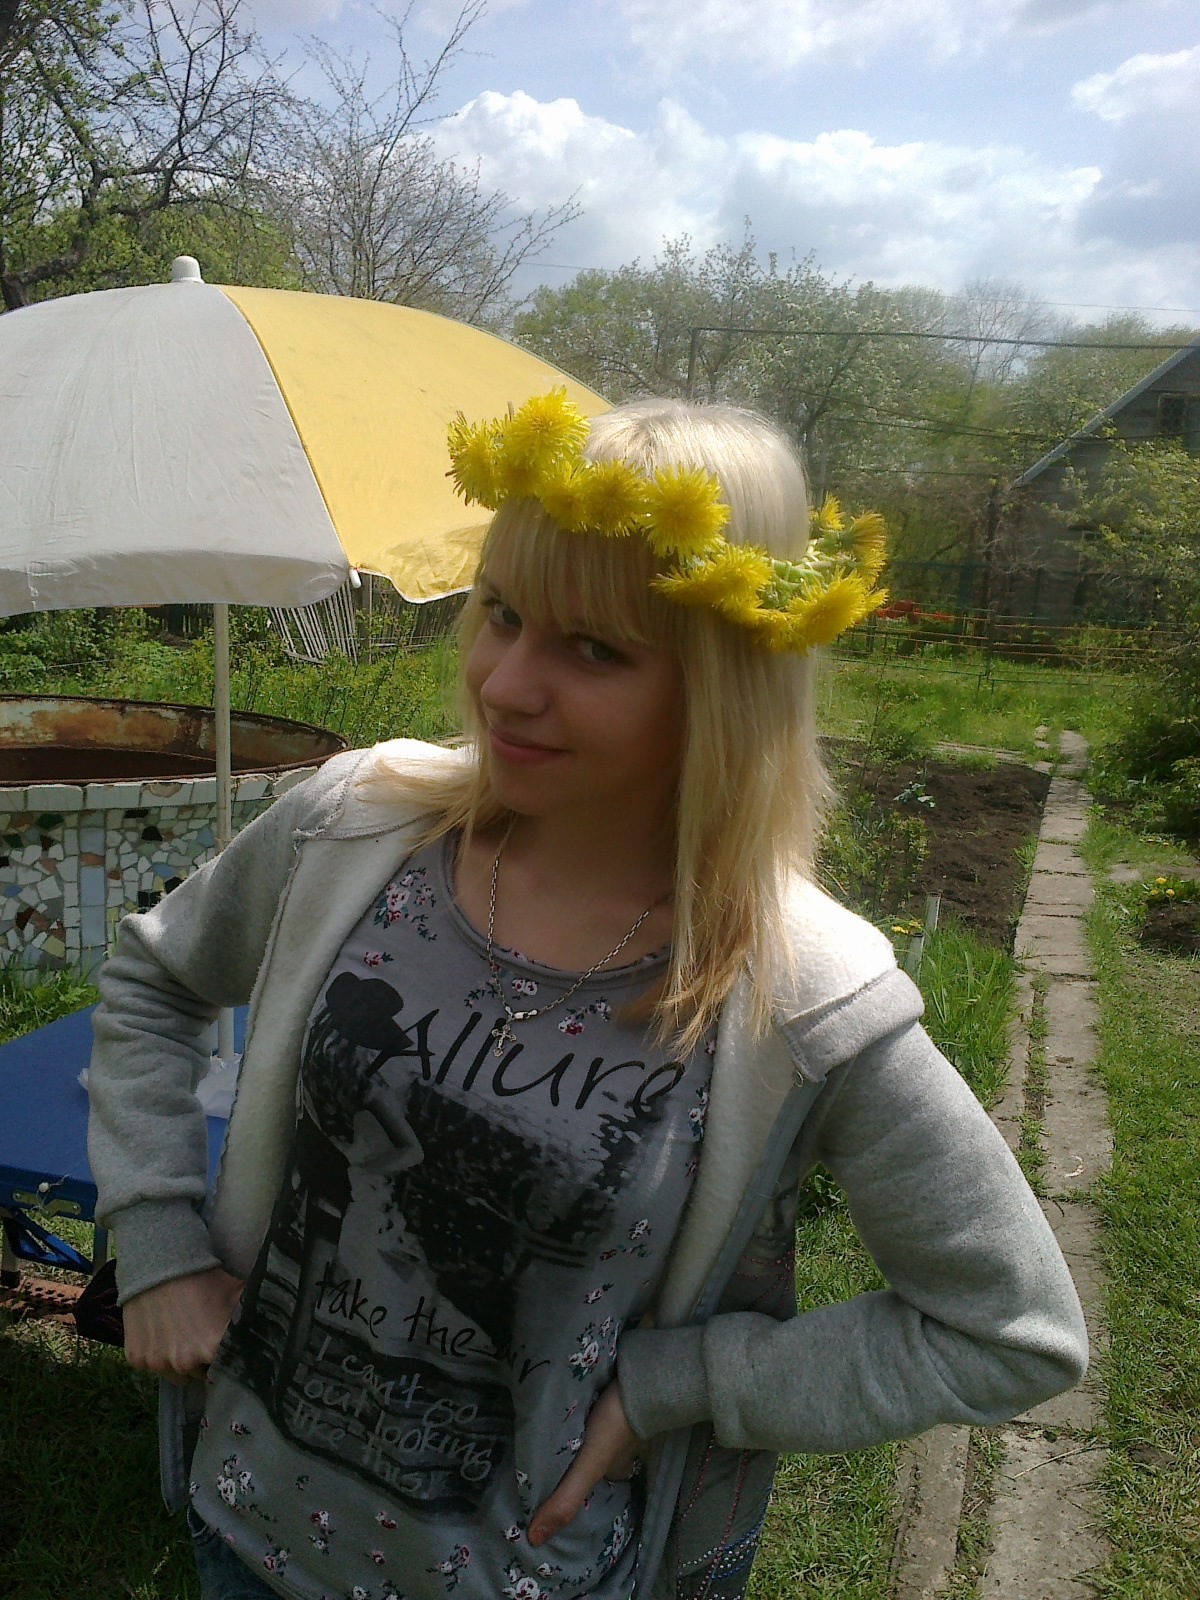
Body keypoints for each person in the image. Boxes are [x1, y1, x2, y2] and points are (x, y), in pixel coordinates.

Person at [88, 391, 1087, 1600]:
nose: (506, 684)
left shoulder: (801, 999)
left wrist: (689, 1384)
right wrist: (157, 1241)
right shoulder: (354, 827)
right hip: (249, 1534)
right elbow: (155, 979)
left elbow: (1009, 1329)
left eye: (594, 649)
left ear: (723, 686)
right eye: (502, 613)